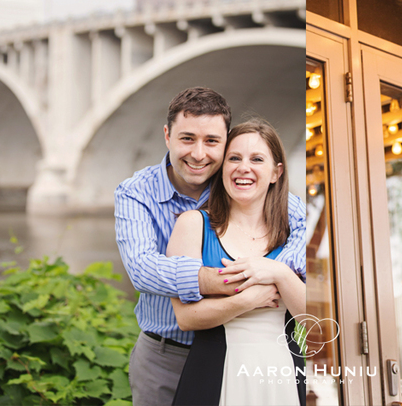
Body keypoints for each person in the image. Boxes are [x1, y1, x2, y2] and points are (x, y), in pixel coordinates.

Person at [114, 88, 305, 406]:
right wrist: (236, 284)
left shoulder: (240, 180)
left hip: (239, 351)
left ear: (225, 143)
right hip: (168, 353)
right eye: (187, 138)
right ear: (168, 136)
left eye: (212, 142)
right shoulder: (136, 192)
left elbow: (299, 228)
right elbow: (142, 270)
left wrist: (279, 272)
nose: (199, 154)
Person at [169, 118, 305, 406]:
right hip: (216, 370)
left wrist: (278, 272)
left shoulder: (295, 235)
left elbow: (313, 320)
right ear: (222, 169)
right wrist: (250, 300)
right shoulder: (193, 225)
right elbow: (185, 318)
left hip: (282, 374)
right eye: (234, 158)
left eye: (257, 159)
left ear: (275, 172)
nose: (244, 168)